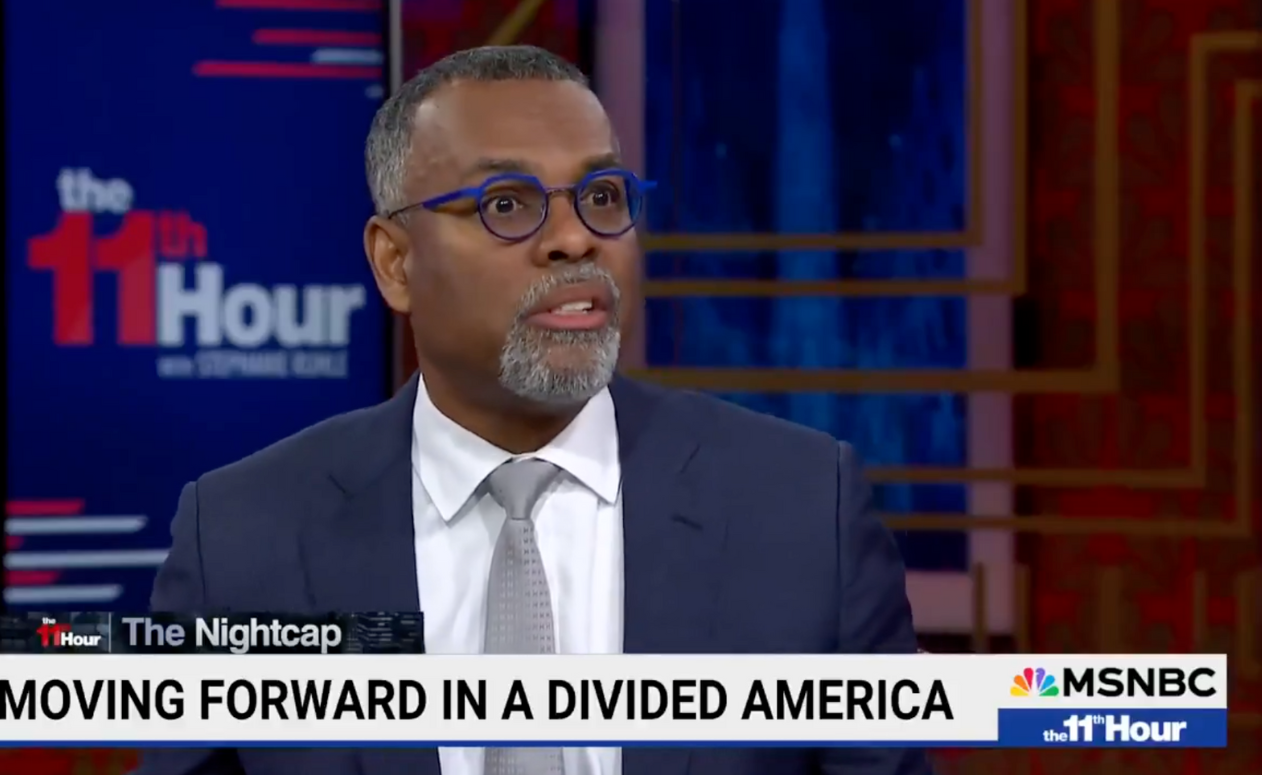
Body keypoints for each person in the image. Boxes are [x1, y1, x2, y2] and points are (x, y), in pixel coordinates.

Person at [137, 45, 932, 775]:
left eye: (601, 194)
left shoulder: (801, 510)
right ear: (395, 262)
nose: (574, 239)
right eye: (508, 204)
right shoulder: (242, 536)